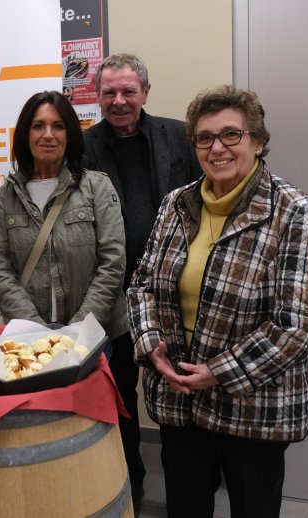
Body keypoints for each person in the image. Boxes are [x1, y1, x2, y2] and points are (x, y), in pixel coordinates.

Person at [127, 85, 308, 518]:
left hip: (253, 409)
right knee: (185, 508)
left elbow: (299, 323)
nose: (216, 147)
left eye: (231, 135)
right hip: (180, 401)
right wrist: (149, 345)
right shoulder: (175, 204)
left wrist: (217, 373)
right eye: (204, 137)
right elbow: (141, 284)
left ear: (257, 141)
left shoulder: (295, 212)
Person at [81, 53, 203, 513]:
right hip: (111, 297)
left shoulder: (179, 137)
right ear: (97, 96)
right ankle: (129, 480)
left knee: (177, 398)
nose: (119, 101)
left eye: (128, 91)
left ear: (145, 93)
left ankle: (187, 494)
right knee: (119, 399)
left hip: (174, 298)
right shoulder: (83, 145)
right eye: (109, 92)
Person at [0, 90, 126, 340]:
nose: (48, 135)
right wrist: (35, 332)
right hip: (29, 338)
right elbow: (1, 269)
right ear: (25, 135)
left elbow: (112, 263)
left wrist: (79, 330)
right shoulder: (6, 196)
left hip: (91, 333)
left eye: (58, 126)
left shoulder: (97, 187)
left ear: (70, 134)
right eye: (38, 126)